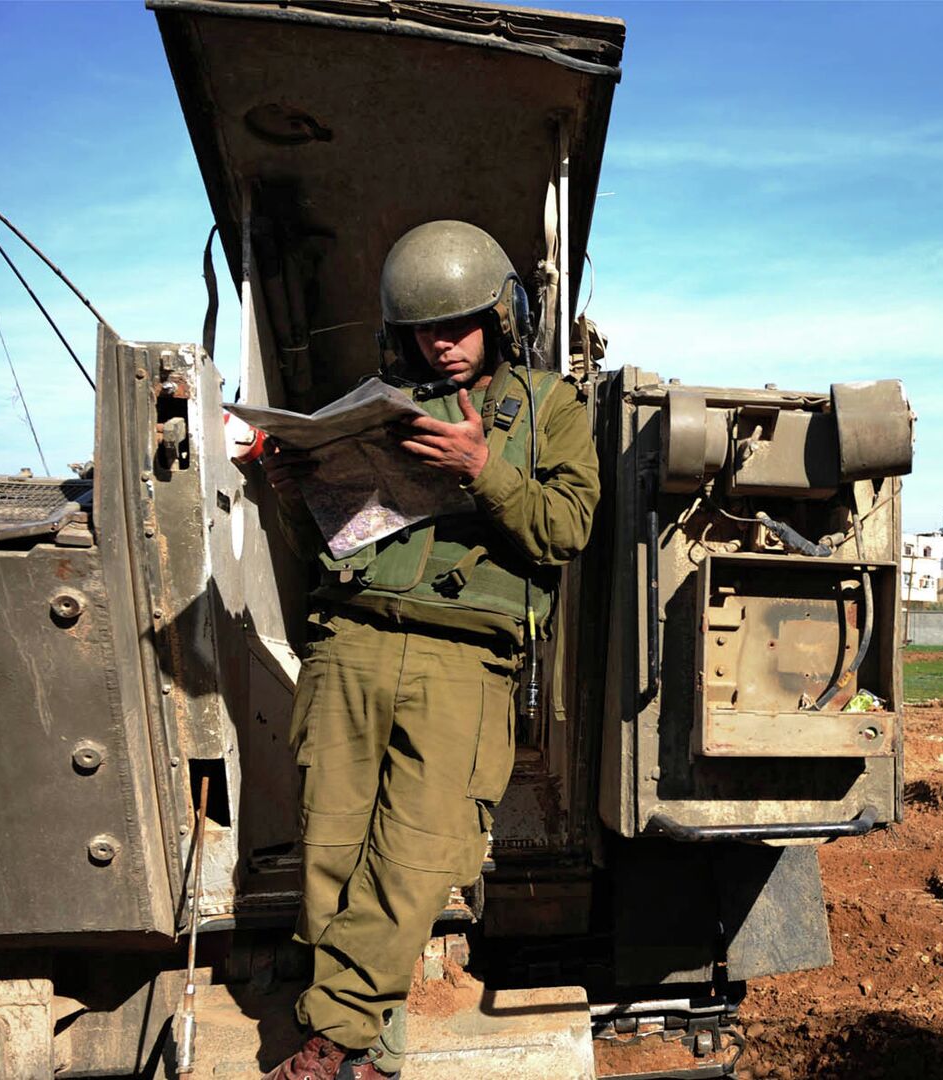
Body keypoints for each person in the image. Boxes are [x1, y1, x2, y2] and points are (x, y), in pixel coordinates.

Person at [257, 220, 600, 1080]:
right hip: (351, 643)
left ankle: (329, 1032)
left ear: (502, 317)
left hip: (464, 658)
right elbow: (339, 543)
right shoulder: (371, 408)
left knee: (417, 859)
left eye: (460, 324)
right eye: (424, 329)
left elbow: (568, 529)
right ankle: (374, 1060)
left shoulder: (550, 406)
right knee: (331, 855)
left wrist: (484, 467)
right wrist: (298, 488)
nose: (442, 345)